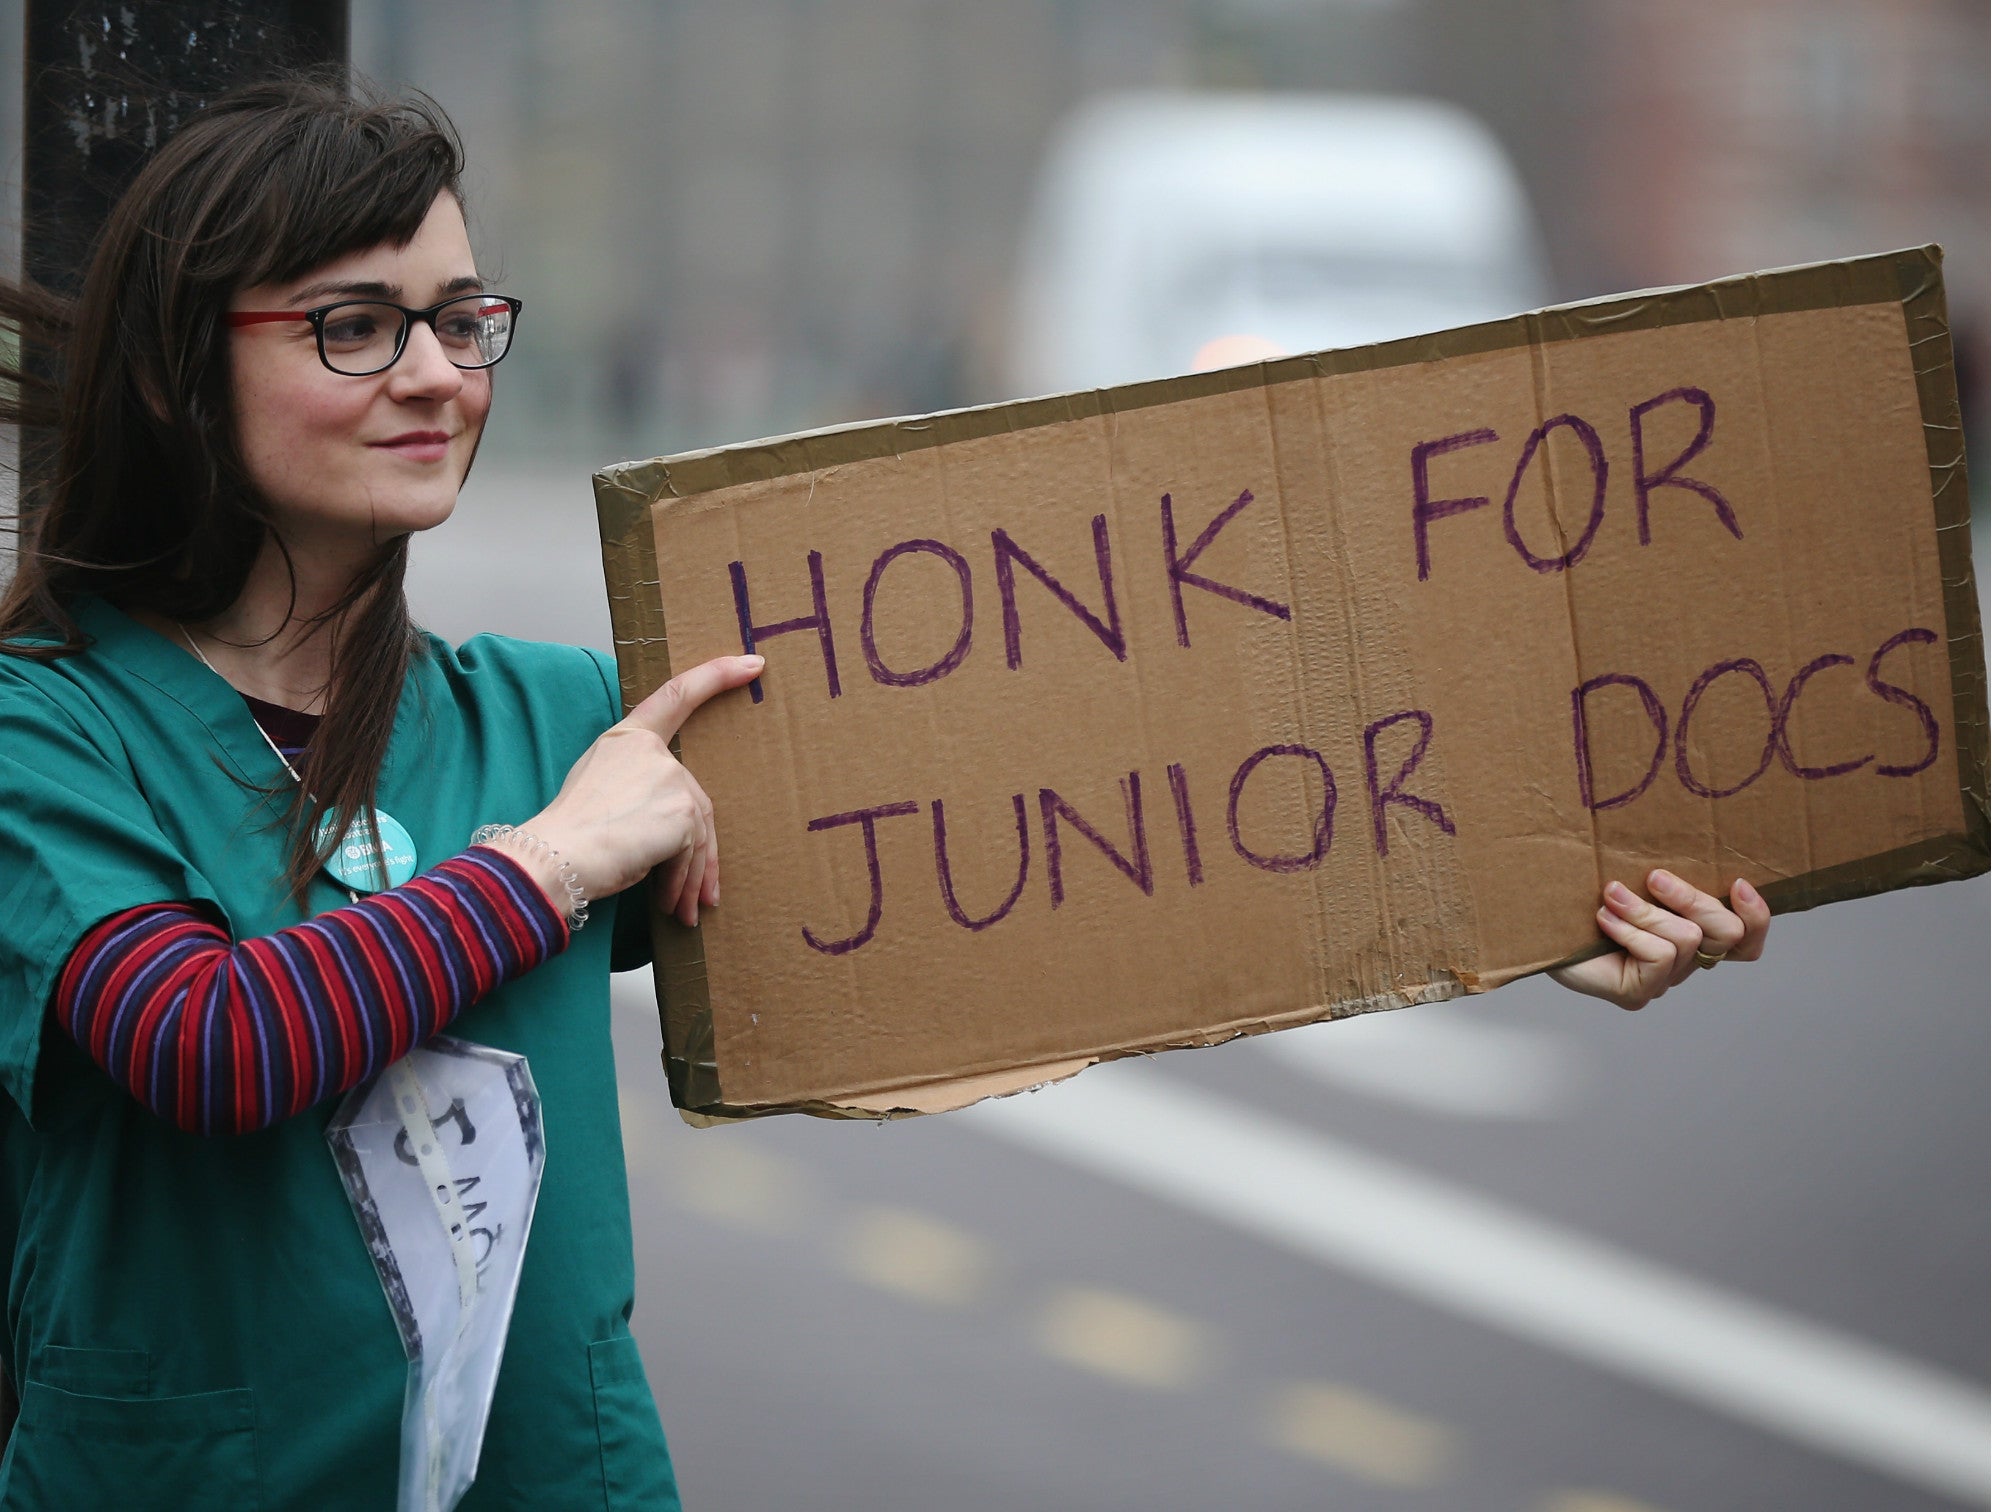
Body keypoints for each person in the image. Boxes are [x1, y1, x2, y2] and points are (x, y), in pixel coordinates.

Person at [0, 73, 1768, 1511]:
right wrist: (549, 869)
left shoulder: (559, 717)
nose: (445, 376)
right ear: (182, 368)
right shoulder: (49, 728)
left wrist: (1535, 902)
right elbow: (205, 1043)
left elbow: (1092, 844)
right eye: (357, 326)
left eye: (463, 317)